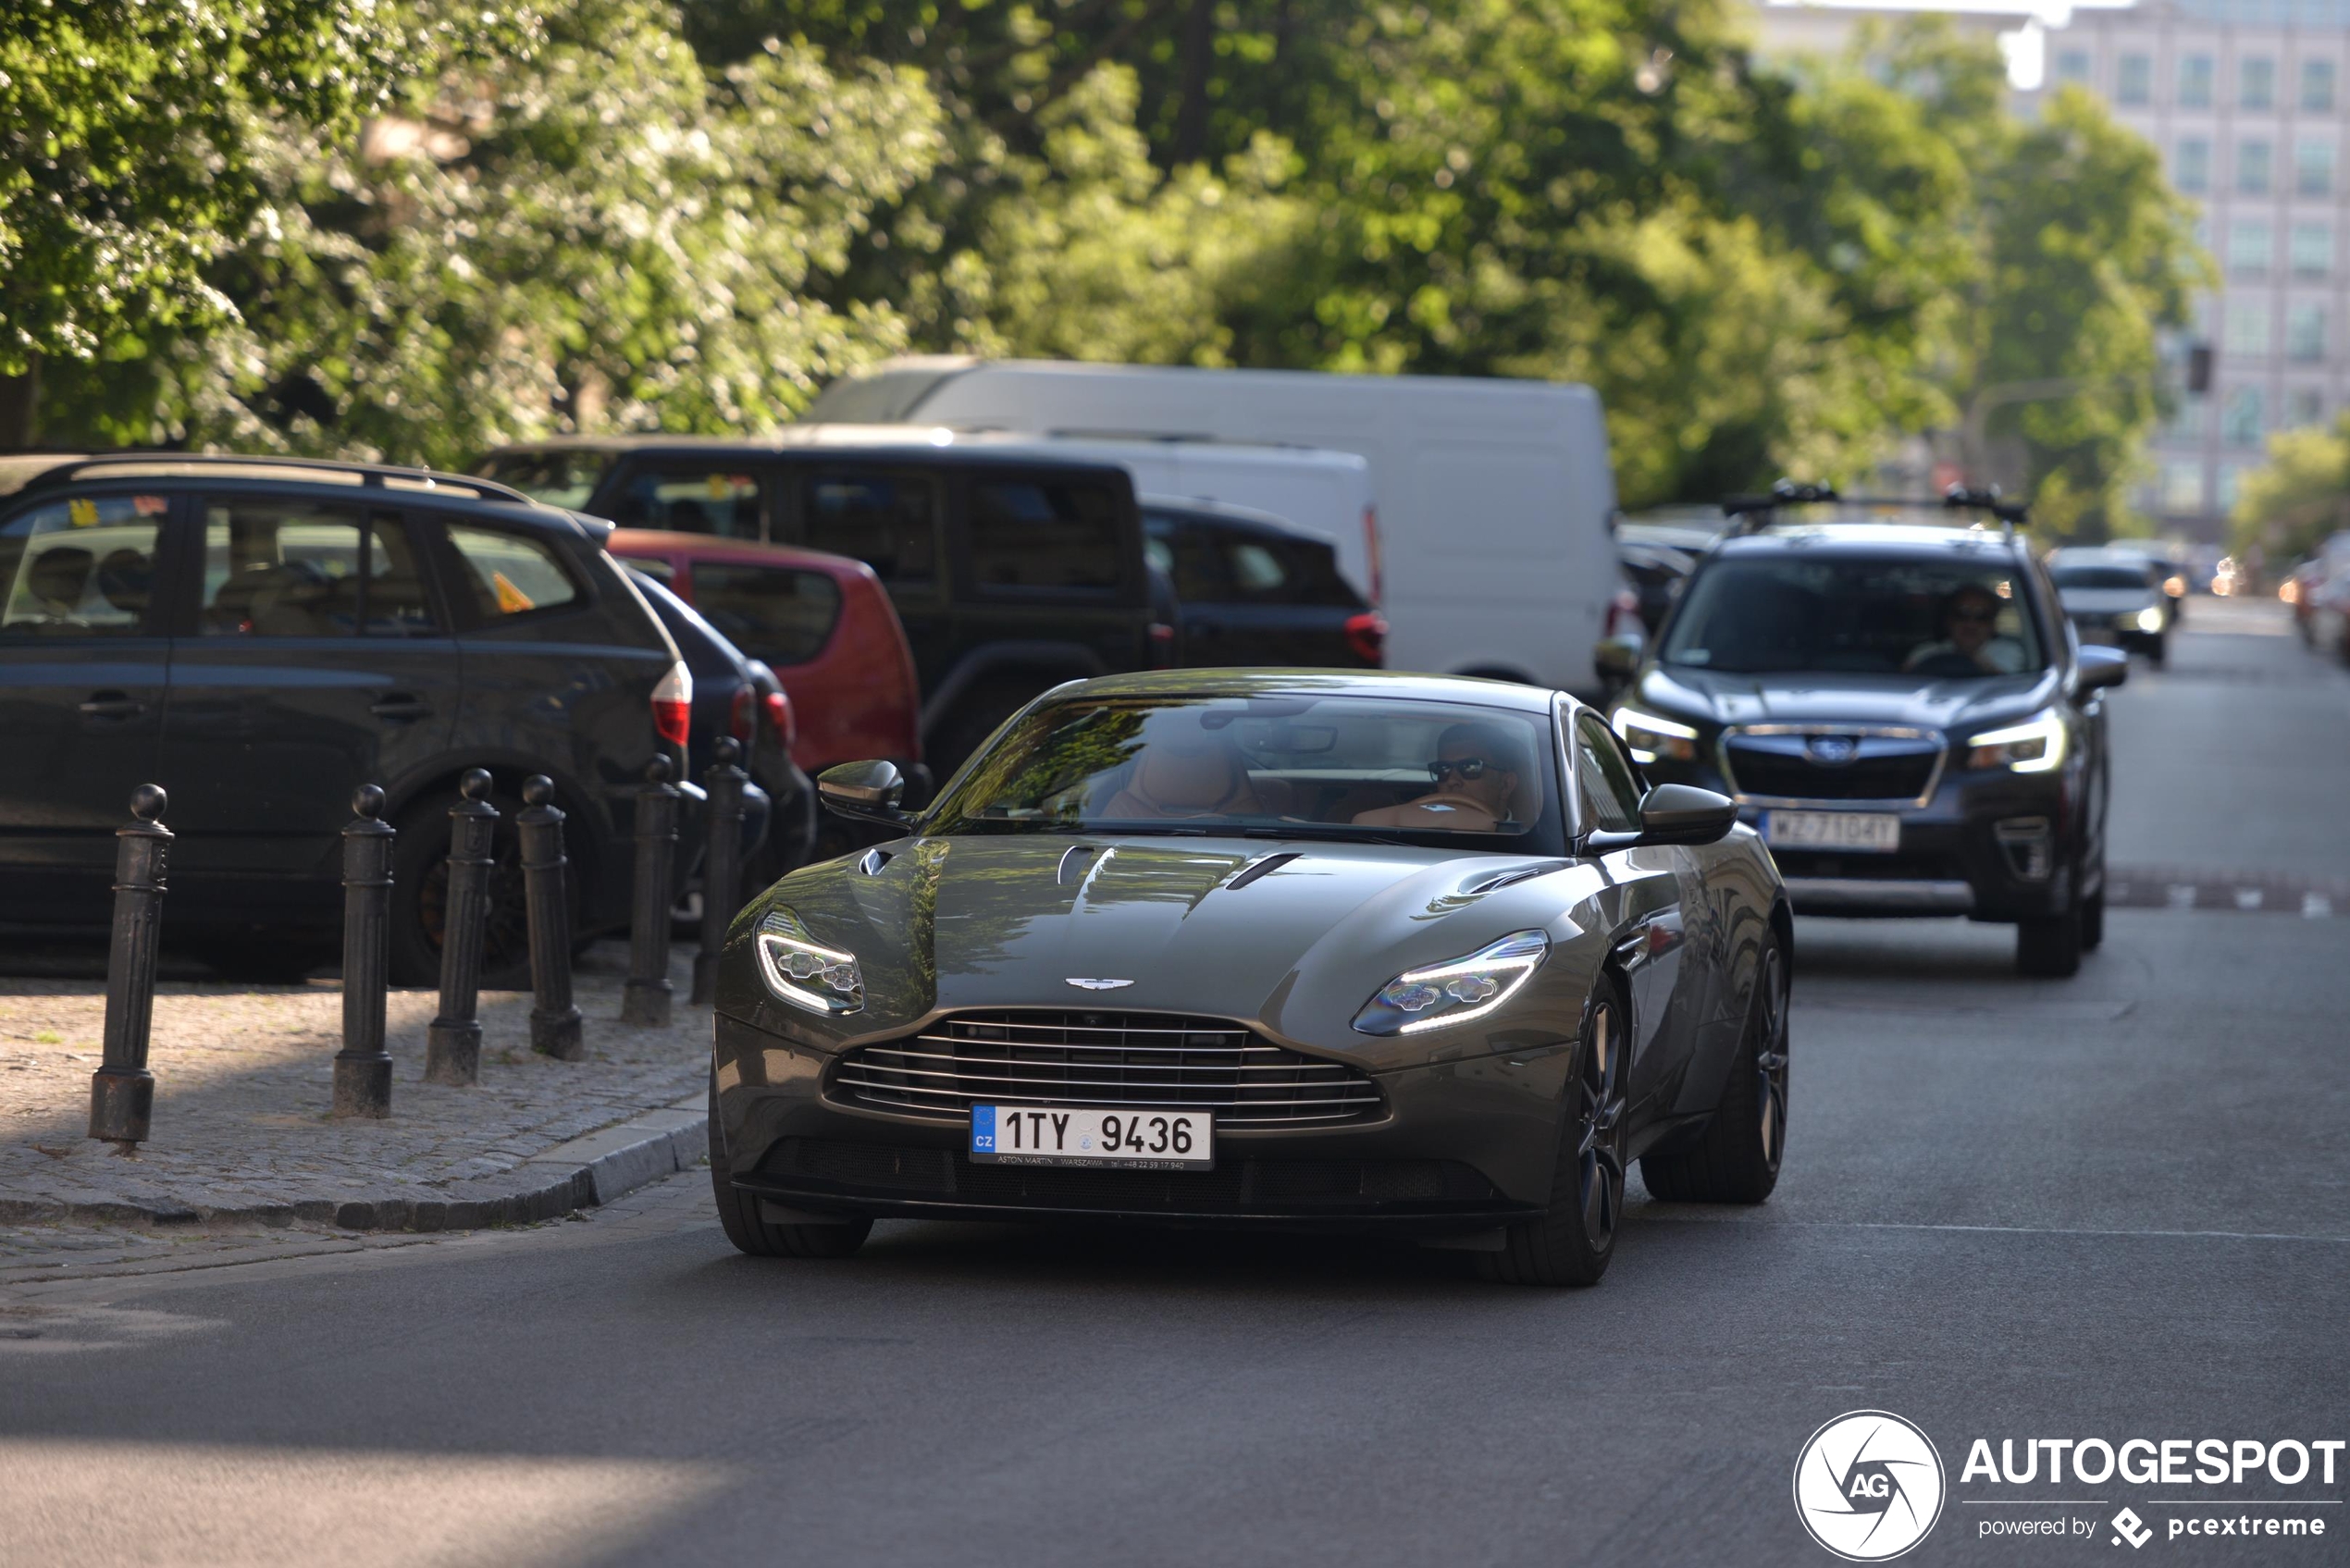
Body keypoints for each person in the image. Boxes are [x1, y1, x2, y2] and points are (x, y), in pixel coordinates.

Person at [1353, 722, 1528, 832]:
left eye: (1470, 767)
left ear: (1506, 784)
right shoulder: (1400, 830)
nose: (1451, 780)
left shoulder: (1530, 842)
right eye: (1443, 769)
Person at [1903, 584, 2025, 675]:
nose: (1970, 624)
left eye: (1982, 617)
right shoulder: (1924, 654)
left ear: (1993, 624)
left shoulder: (2013, 655)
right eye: (1961, 615)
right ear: (1948, 621)